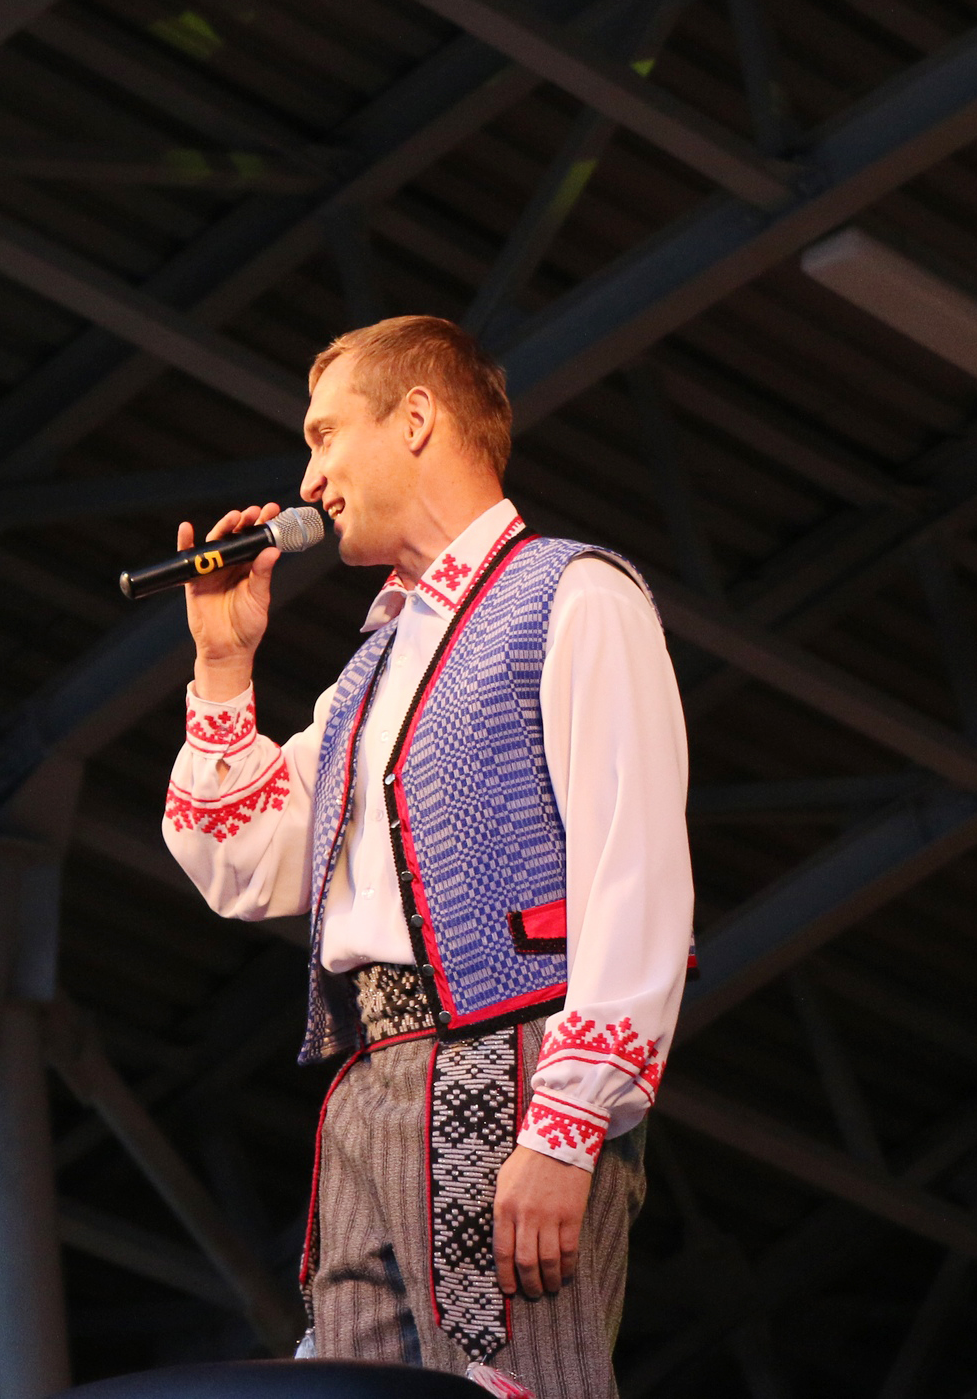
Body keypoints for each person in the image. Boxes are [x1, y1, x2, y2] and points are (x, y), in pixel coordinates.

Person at [160, 315, 694, 1399]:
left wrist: (567, 1123)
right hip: (372, 1084)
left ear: (414, 419)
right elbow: (245, 859)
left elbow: (633, 872)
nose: (309, 478)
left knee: (517, 1383)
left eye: (324, 435)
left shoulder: (573, 594)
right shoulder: (372, 670)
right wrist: (223, 665)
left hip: (512, 1065)